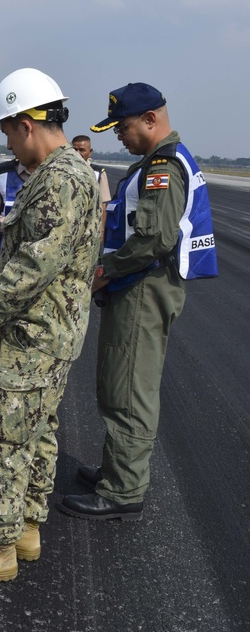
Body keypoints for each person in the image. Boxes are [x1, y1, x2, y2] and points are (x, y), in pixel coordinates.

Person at [0, 68, 102, 583]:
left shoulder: (60, 181)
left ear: (27, 124)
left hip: (35, 336)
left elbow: (35, 265)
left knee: (3, 439)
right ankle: (24, 527)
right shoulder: (67, 174)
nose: (7, 141)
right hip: (51, 334)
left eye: (8, 130)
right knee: (37, 433)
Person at [58, 83, 217, 521]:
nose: (119, 137)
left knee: (128, 388)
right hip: (138, 285)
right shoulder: (156, 162)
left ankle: (124, 490)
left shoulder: (162, 167)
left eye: (123, 127)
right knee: (118, 380)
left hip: (144, 287)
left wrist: (102, 272)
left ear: (150, 119)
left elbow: (154, 239)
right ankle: (116, 468)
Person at [0, 158, 32, 381]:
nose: (10, 145)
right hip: (2, 257)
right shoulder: (3, 173)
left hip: (35, 264)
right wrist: (4, 223)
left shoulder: (56, 171)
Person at [71, 134, 112, 227]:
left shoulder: (98, 173)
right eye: (74, 150)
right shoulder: (63, 170)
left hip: (88, 227)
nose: (77, 153)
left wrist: (101, 230)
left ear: (90, 152)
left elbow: (103, 204)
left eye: (82, 150)